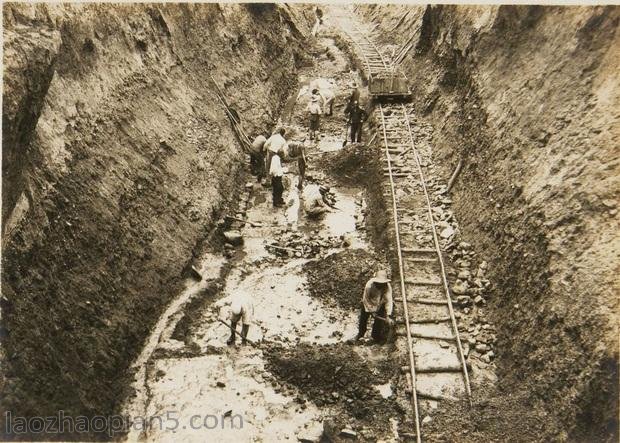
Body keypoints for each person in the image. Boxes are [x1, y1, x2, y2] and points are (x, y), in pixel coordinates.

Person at [355, 270, 394, 343]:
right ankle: (360, 335)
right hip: (368, 304)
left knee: (378, 322)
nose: (380, 285)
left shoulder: (387, 287)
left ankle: (375, 338)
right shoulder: (369, 285)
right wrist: (371, 311)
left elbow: (389, 300)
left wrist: (388, 315)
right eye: (379, 283)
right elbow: (365, 299)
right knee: (363, 320)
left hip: (379, 304)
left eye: (382, 283)